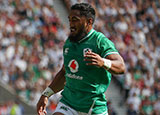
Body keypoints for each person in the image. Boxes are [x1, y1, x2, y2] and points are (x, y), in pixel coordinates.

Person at [37, 3, 125, 115]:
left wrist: (103, 62)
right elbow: (65, 72)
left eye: (75, 20)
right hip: (68, 103)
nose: (71, 24)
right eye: (69, 20)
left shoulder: (100, 41)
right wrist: (46, 94)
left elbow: (121, 66)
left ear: (89, 22)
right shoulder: (69, 43)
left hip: (93, 107)